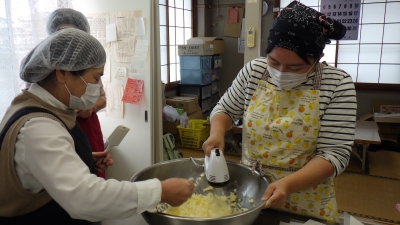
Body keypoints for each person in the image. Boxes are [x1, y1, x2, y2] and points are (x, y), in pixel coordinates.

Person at [0, 28, 193, 224]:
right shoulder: (39, 128)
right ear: (62, 74)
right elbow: (84, 197)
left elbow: (42, 167)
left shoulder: (35, 104)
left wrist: (81, 159)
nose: (97, 86)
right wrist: (160, 191)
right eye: (95, 78)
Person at [202, 1, 356, 222]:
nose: (282, 72)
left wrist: (287, 184)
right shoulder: (255, 70)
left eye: (295, 67)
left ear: (318, 58)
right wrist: (217, 133)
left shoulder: (337, 85)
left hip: (307, 205)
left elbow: (333, 155)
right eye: (273, 61)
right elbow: (225, 109)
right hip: (251, 198)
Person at [47, 8, 108, 178]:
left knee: (93, 172)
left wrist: (91, 107)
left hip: (87, 127)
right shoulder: (43, 65)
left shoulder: (88, 63)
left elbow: (102, 98)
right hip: (59, 128)